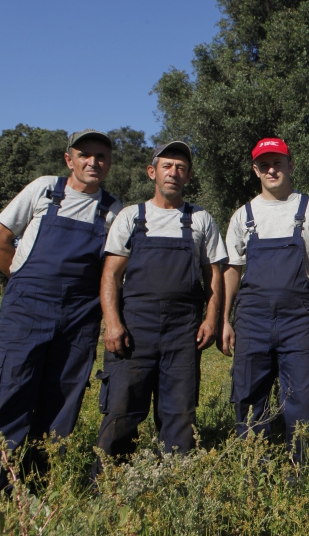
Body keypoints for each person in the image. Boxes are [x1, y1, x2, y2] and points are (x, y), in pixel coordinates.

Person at [0, 130, 121, 485]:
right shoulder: (45, 190)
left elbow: (113, 270)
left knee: (62, 400)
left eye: (100, 156)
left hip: (80, 317)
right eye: (84, 155)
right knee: (11, 391)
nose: (93, 162)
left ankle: (37, 486)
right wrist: (24, 281)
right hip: (27, 310)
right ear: (69, 160)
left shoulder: (113, 211)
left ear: (109, 163)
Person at [94, 141, 226, 470]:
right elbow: (111, 275)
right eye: (167, 166)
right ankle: (108, 481)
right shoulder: (131, 217)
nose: (173, 172)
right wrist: (112, 323)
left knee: (179, 412)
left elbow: (213, 275)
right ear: (152, 172)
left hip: (183, 331)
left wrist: (211, 320)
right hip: (134, 329)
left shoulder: (200, 219)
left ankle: (174, 480)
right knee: (122, 408)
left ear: (189, 176)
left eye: (181, 168)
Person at [222, 138, 309, 460]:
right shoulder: (243, 216)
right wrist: (224, 319)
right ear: (255, 170)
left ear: (290, 165)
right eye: (264, 165)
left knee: (302, 395)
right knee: (248, 393)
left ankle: (299, 467)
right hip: (252, 318)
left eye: (277, 163)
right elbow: (232, 269)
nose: (271, 170)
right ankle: (254, 467)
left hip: (299, 319)